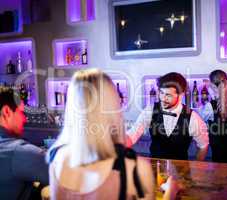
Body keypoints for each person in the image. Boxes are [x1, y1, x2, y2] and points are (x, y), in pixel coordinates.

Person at [47, 69, 178, 200]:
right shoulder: (135, 169)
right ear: (114, 105)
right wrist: (171, 191)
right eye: (162, 93)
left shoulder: (57, 158)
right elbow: (132, 135)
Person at [127, 72, 209, 160]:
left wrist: (196, 167)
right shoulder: (150, 110)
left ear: (181, 95)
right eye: (161, 93)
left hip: (181, 170)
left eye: (168, 95)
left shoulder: (193, 117)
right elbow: (133, 134)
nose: (163, 98)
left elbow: (203, 146)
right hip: (155, 168)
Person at [0, 86, 49, 200]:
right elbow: (66, 176)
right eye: (22, 113)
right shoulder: (18, 152)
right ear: (7, 112)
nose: (25, 119)